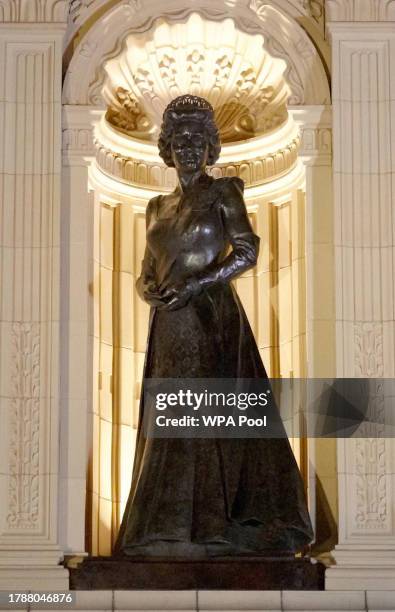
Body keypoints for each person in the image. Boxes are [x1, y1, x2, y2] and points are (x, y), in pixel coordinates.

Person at [114, 94, 313, 556]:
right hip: (169, 321)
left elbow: (246, 252)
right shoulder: (156, 205)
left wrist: (196, 285)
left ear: (209, 147)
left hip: (209, 317)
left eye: (196, 139)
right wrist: (148, 289)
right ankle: (165, 526)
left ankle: (212, 528)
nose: (187, 147)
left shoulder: (224, 192)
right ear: (166, 147)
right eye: (179, 139)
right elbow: (148, 265)